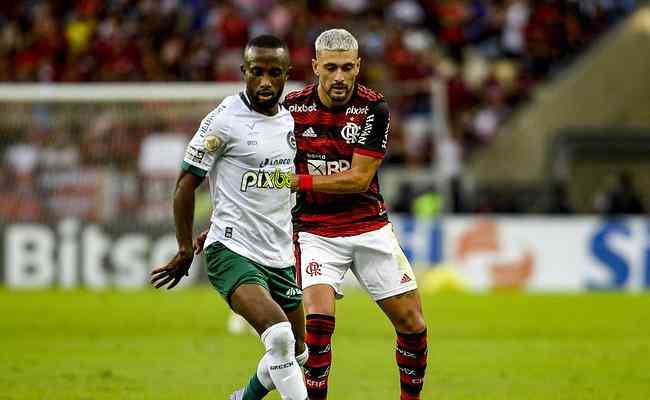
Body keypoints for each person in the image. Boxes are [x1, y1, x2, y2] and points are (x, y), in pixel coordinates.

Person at [150, 35, 308, 400]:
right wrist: (185, 247)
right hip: (232, 251)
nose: (265, 82)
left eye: (273, 73)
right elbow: (185, 186)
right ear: (244, 73)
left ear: (287, 75)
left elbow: (281, 188)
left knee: (297, 354)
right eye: (256, 72)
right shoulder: (224, 120)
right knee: (280, 337)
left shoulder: (290, 122)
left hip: (279, 255)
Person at [286, 29, 428, 400]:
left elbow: (359, 179)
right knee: (317, 323)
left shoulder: (373, 108)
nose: (338, 77)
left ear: (358, 66)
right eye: (330, 67)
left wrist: (295, 181)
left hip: (369, 227)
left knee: (413, 325)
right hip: (315, 231)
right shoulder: (291, 110)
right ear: (315, 66)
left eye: (347, 67)